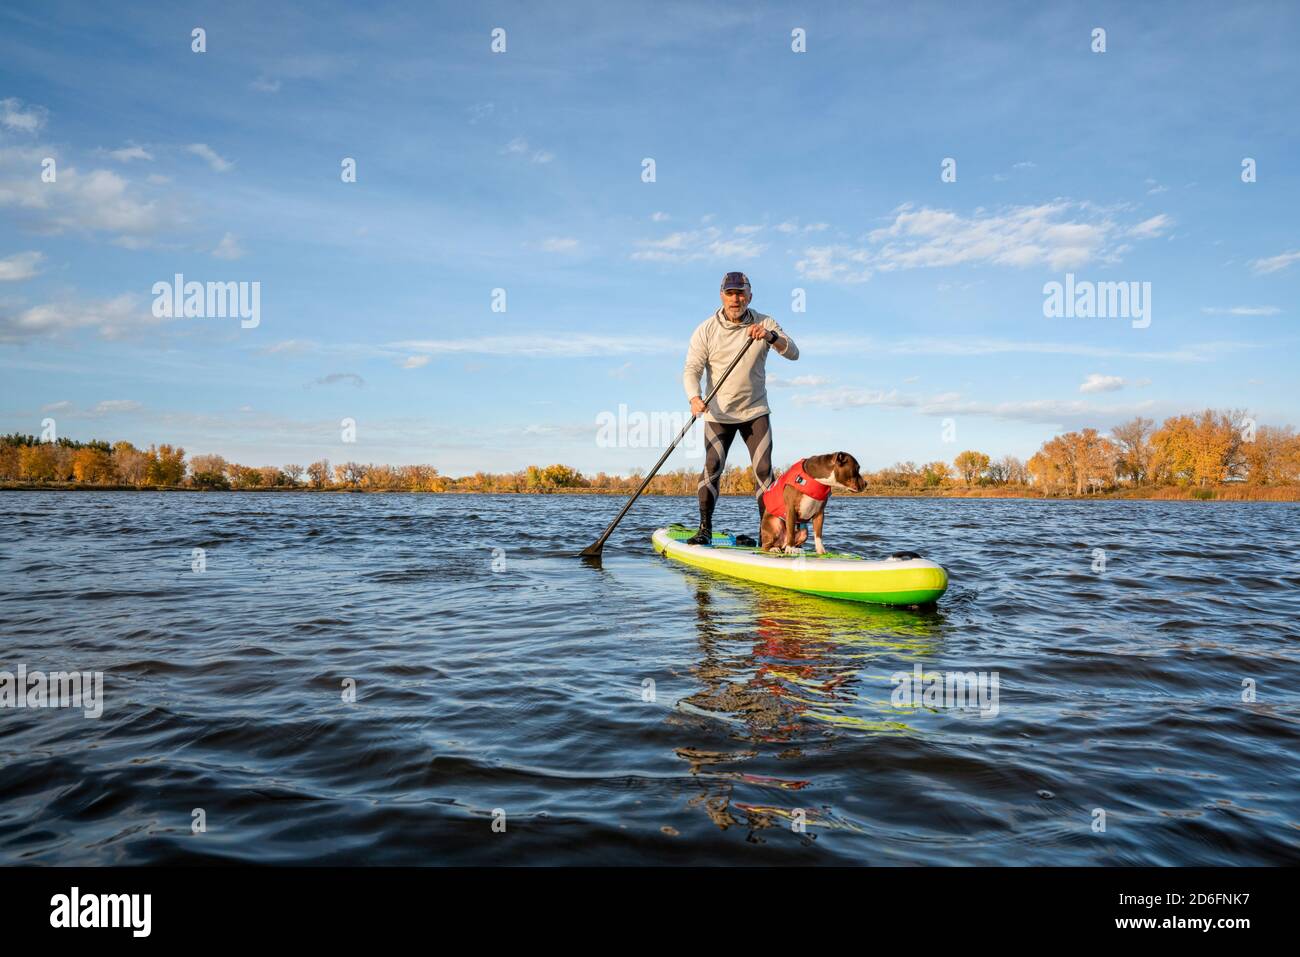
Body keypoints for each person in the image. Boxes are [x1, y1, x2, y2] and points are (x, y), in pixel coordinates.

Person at [681, 272, 799, 545]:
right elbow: (692, 369)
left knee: (764, 471)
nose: (736, 298)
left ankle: (767, 536)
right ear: (722, 295)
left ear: (750, 296)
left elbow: (793, 352)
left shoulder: (765, 322)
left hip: (755, 412)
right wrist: (694, 397)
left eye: (741, 292)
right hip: (718, 413)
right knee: (712, 468)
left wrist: (770, 337)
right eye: (731, 293)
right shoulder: (706, 329)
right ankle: (704, 529)